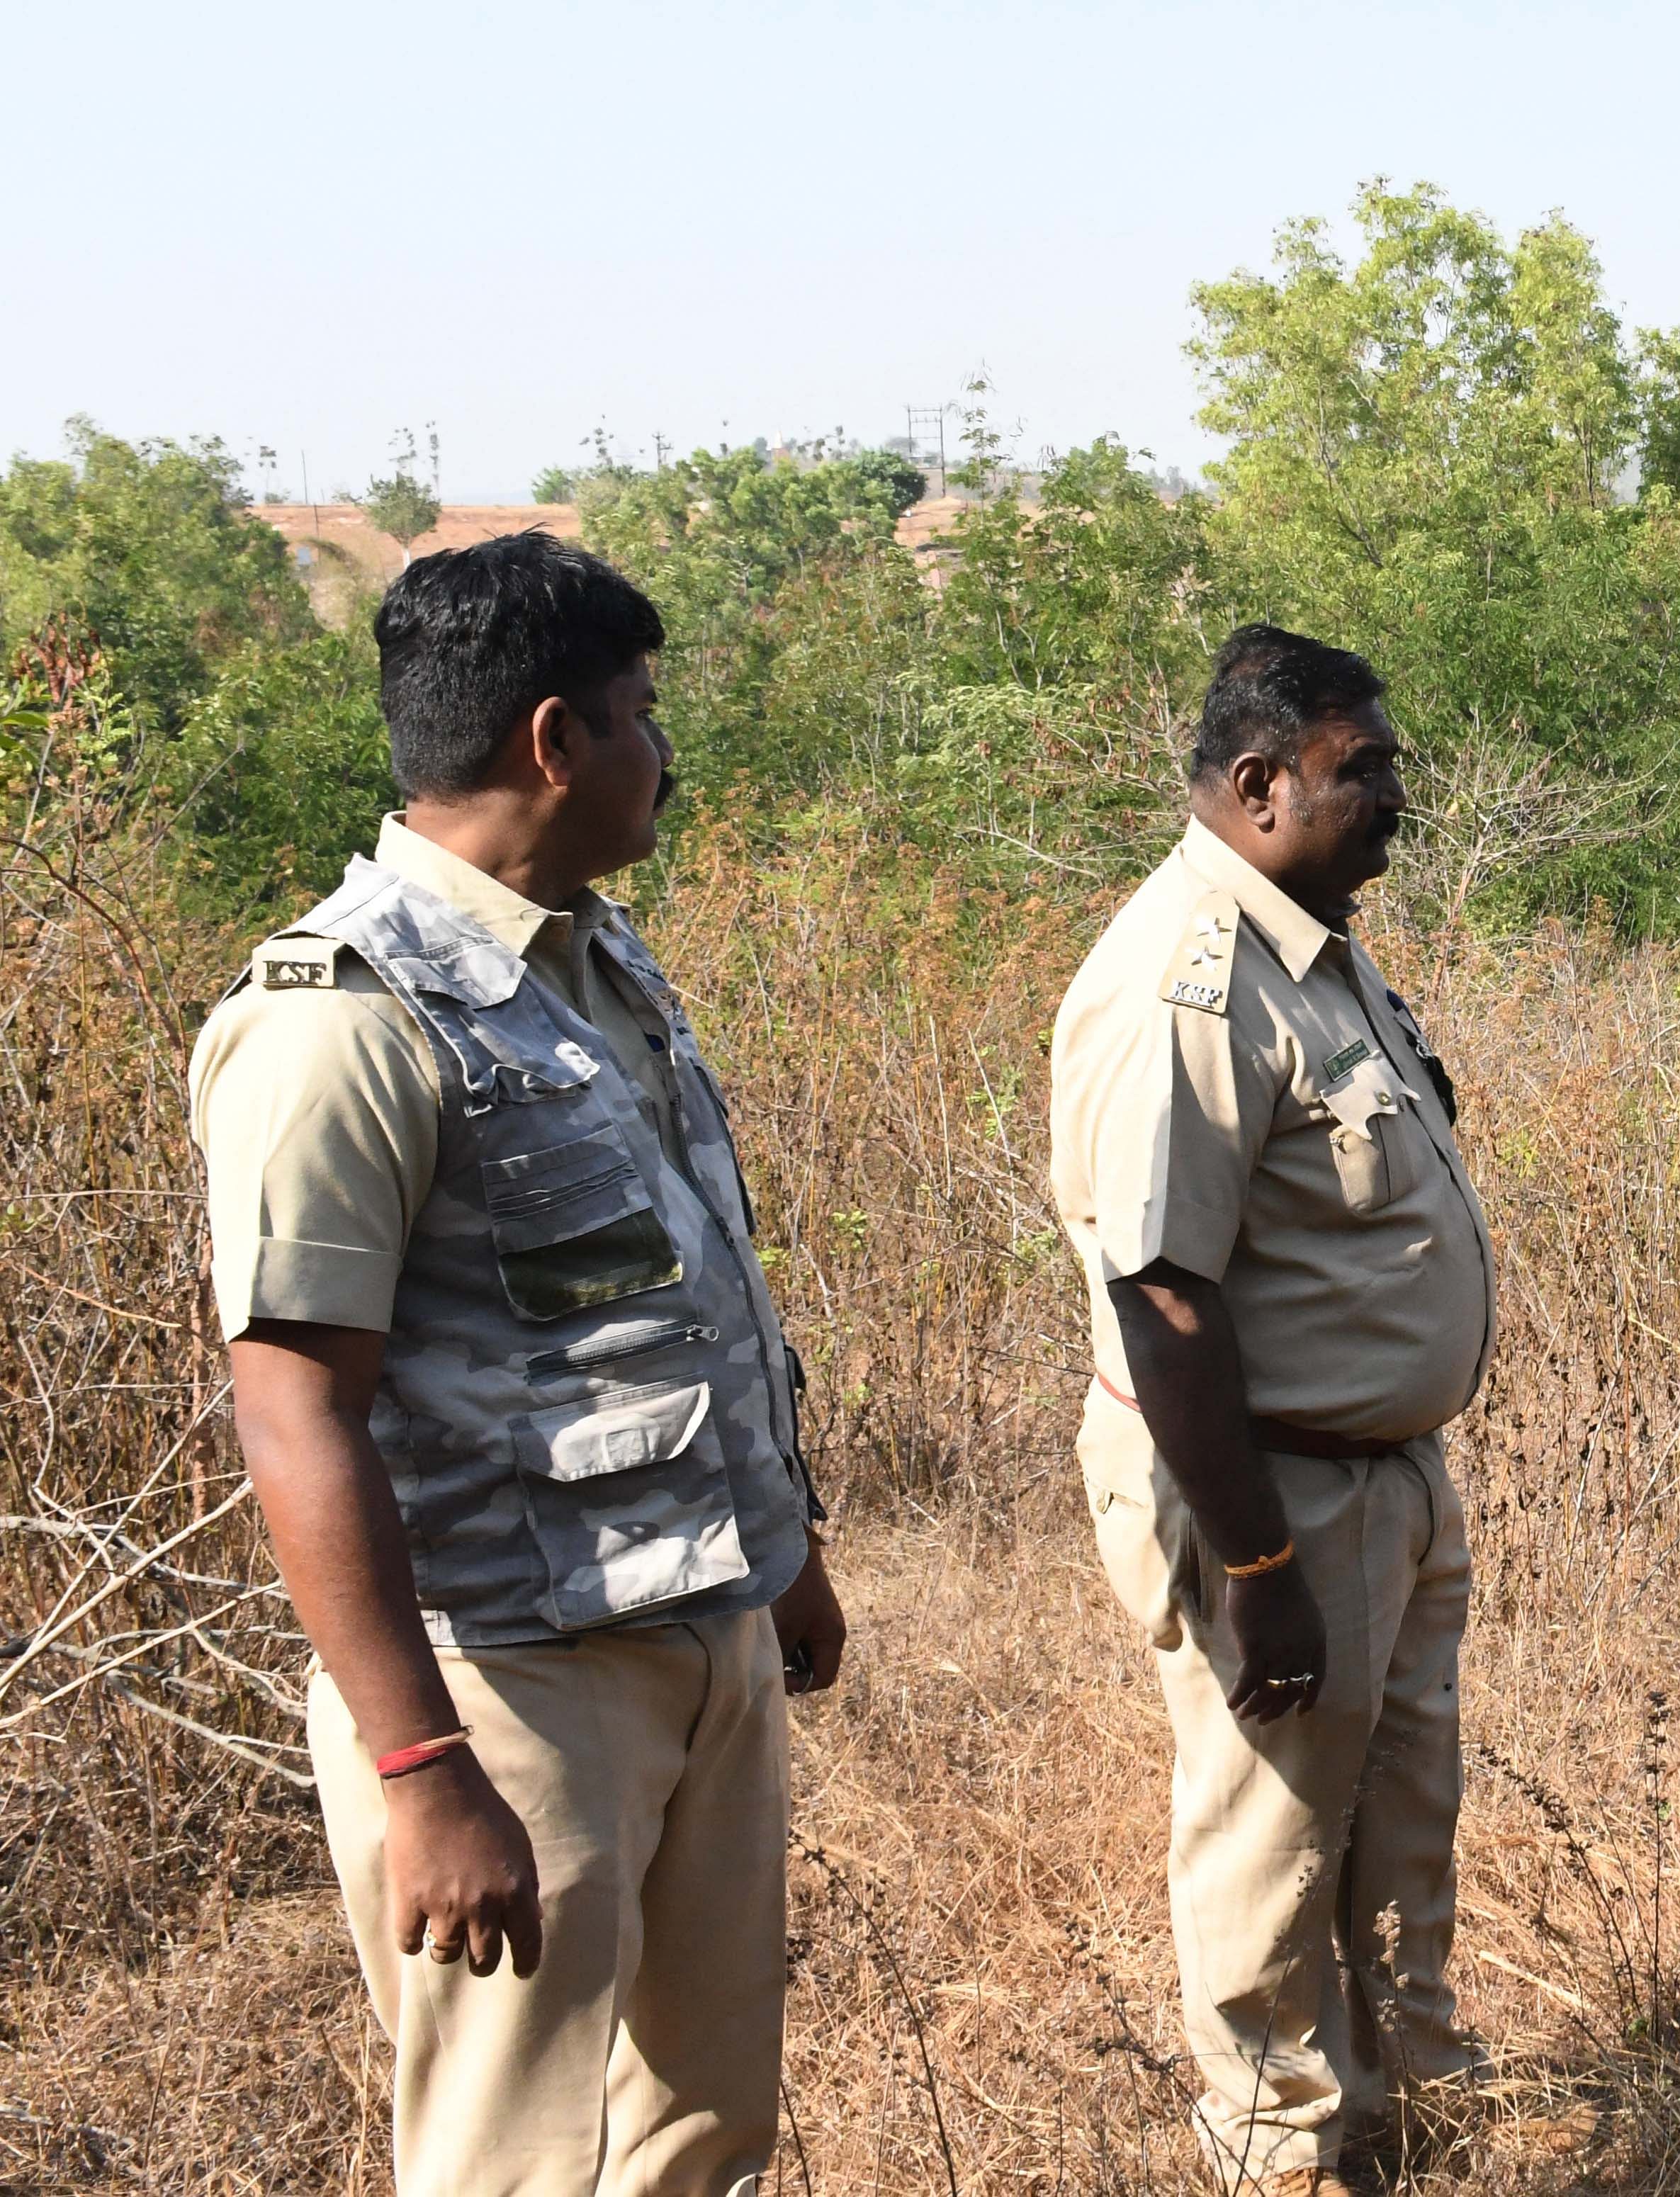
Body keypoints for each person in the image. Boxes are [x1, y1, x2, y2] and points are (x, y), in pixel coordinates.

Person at [189, 531, 842, 2197]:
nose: (666, 755)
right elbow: (294, 1405)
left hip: (700, 1630)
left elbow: (681, 1304)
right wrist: (425, 1771)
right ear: (555, 742)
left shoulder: (593, 958)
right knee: (519, 2159)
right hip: (515, 1686)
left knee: (704, 2131)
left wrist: (784, 1559)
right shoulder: (344, 1018)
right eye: (640, 714)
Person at [1047, 623, 1496, 2195]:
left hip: (1379, 1483)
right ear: (1258, 784)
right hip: (1276, 1497)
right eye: (1361, 772)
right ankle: (1285, 2159)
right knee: (1271, 1855)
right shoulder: (1188, 986)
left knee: (1390, 1832)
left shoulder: (1317, 936)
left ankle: (1391, 2133)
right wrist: (1255, 1570)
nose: (1394, 798)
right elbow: (1163, 1305)